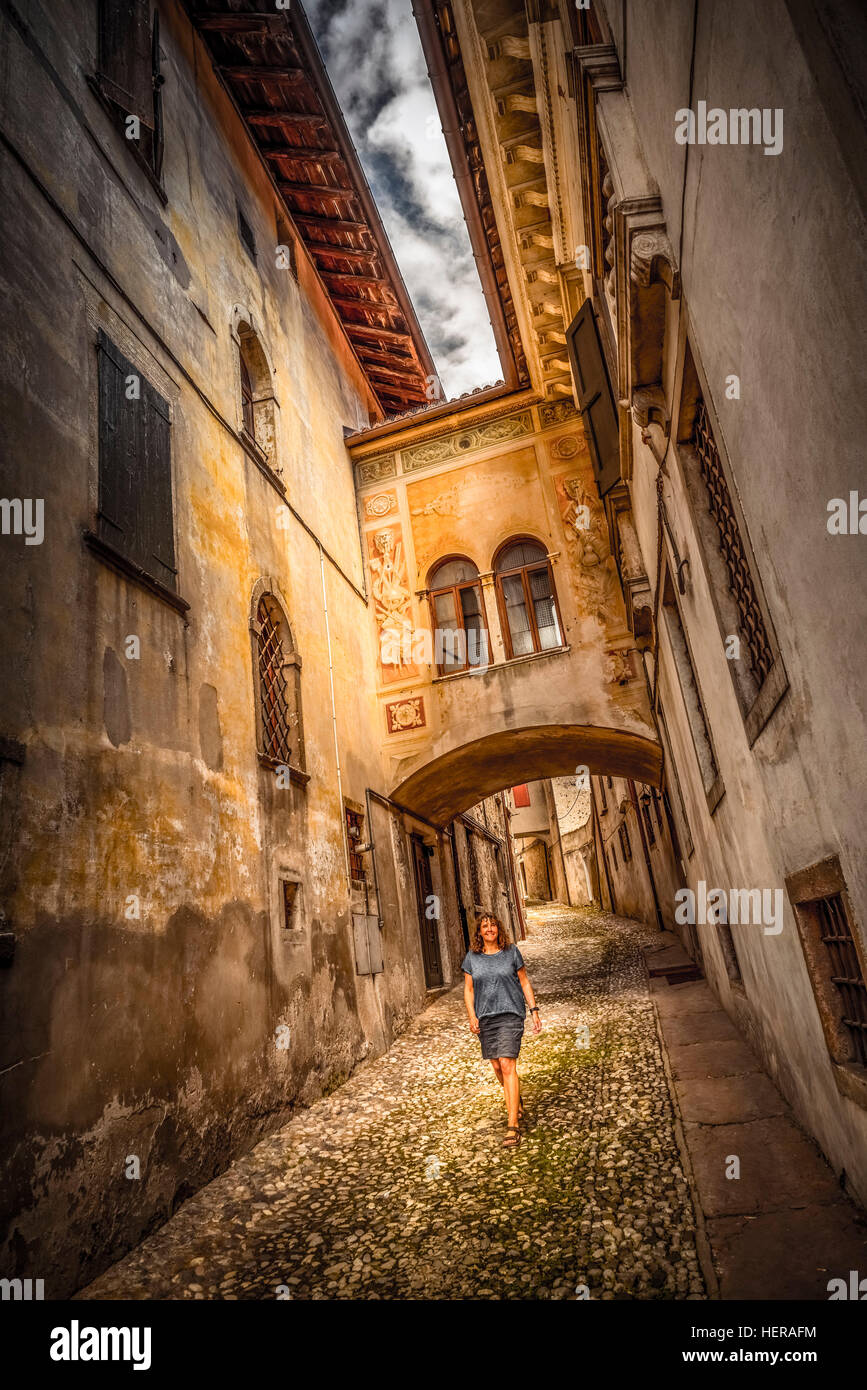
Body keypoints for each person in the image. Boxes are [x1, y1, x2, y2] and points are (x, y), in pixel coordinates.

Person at [462, 913, 541, 1147]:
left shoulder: (511, 952)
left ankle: (512, 1125)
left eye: (493, 925)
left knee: (507, 1063)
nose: (489, 929)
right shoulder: (472, 958)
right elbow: (468, 990)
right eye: (485, 926)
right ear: (479, 932)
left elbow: (524, 981)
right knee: (497, 1066)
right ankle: (516, 1099)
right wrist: (471, 1015)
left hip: (511, 1014)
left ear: (499, 929)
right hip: (486, 1018)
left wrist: (533, 1009)